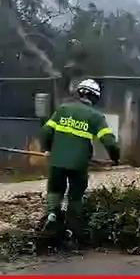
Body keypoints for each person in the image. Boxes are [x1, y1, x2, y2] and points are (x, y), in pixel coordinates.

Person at [39, 78, 120, 244]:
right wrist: (115, 158)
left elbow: (46, 130)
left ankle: (52, 214)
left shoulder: (62, 109)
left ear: (78, 93)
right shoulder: (96, 116)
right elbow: (109, 141)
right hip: (79, 164)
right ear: (95, 97)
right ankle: (72, 228)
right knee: (75, 195)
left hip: (57, 161)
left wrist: (47, 149)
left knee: (55, 190)